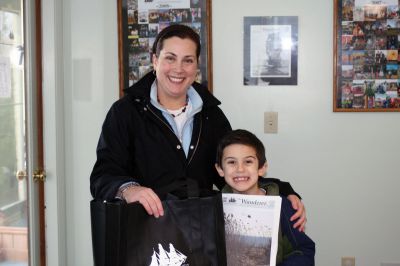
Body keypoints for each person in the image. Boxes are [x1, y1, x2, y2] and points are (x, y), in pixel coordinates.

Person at [89, 24, 306, 230]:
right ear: (155, 61)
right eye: (170, 58)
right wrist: (129, 189)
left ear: (196, 67)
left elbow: (233, 172)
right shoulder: (125, 112)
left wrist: (283, 193)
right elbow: (103, 175)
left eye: (188, 60)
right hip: (145, 234)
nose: (178, 69)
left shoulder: (212, 115)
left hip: (201, 235)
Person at [215, 129, 315, 265]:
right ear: (220, 169)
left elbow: (304, 250)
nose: (240, 169)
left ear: (262, 168)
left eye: (248, 162)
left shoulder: (283, 206)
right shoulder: (214, 207)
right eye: (232, 162)